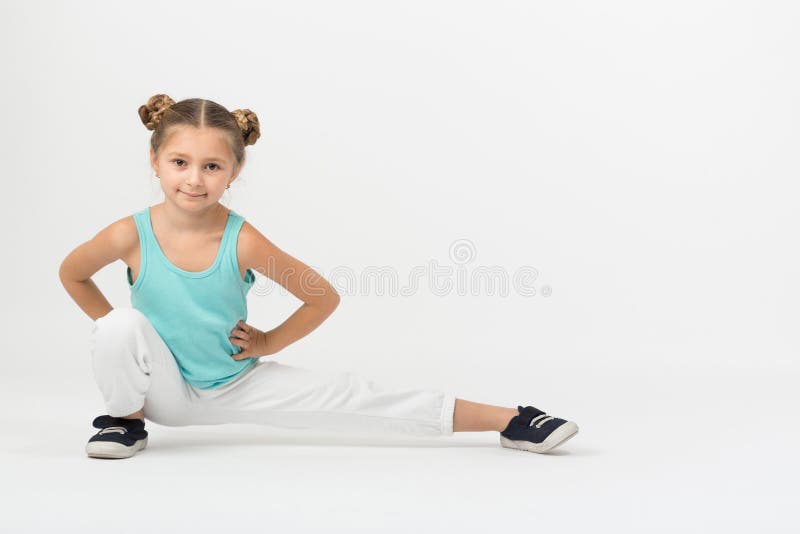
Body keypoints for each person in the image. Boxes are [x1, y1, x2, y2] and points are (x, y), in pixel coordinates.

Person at [58, 94, 579, 460]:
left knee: (357, 397)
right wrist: (125, 345)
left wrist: (266, 342)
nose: (194, 179)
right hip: (159, 393)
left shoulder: (242, 240)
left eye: (212, 167)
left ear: (234, 171)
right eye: (180, 162)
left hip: (236, 383)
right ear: (156, 161)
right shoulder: (131, 232)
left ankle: (511, 420)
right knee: (118, 326)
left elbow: (320, 297)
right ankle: (123, 422)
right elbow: (73, 273)